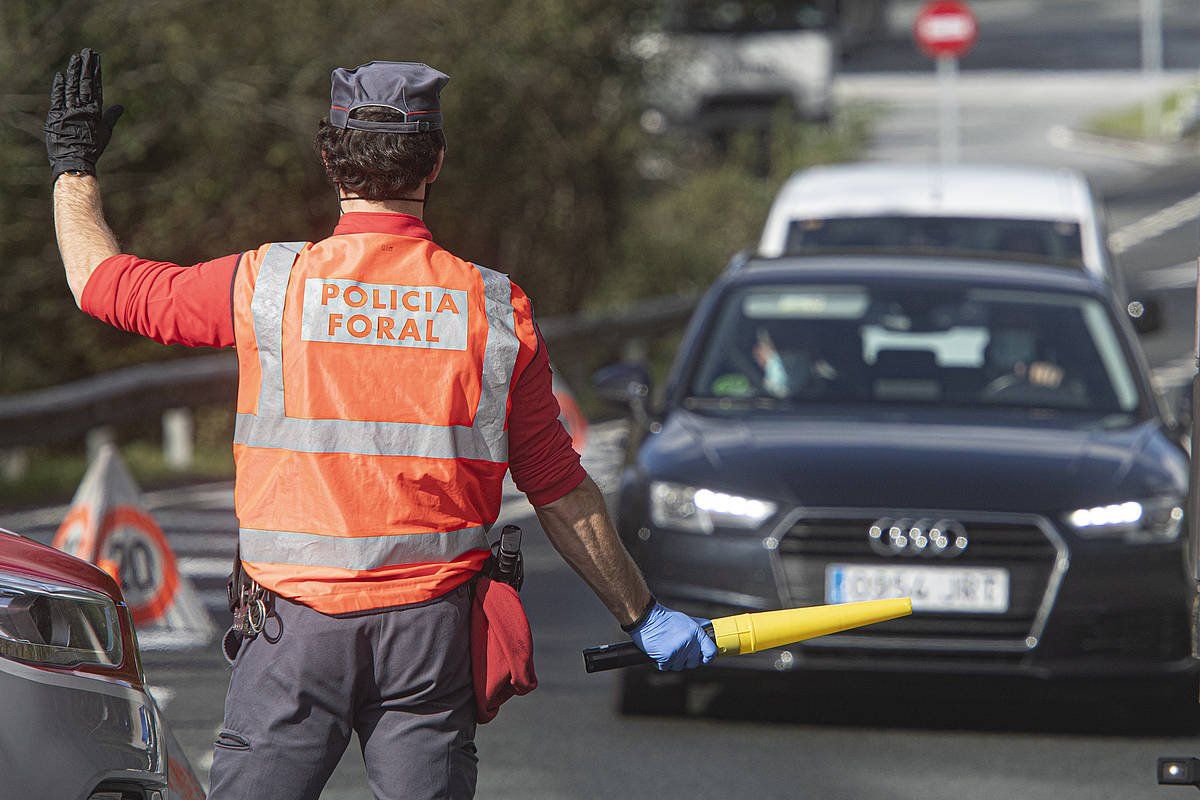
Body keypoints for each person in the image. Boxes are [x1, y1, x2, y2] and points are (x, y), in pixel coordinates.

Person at [46, 50, 716, 800]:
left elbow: (101, 284)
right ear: (435, 164)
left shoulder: (269, 285)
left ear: (331, 160)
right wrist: (643, 614)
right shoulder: (494, 309)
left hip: (291, 632)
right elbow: (559, 489)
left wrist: (74, 168)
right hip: (430, 640)